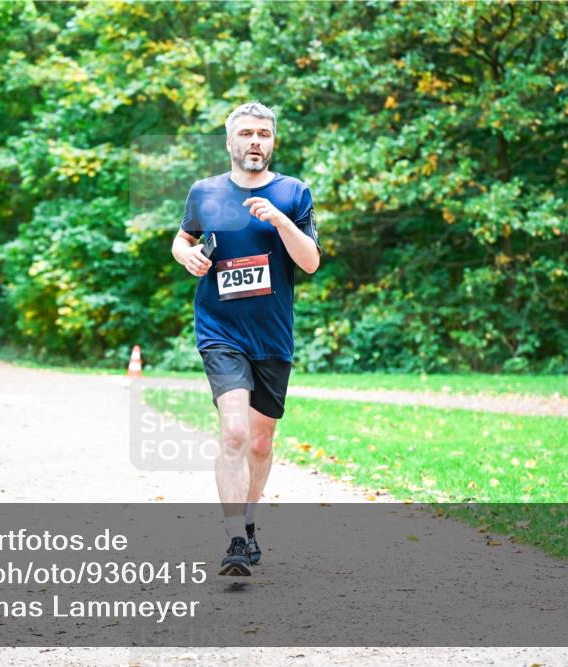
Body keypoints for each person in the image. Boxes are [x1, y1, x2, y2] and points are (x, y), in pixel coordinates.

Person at [170, 102, 321, 576]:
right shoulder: (205, 192)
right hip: (220, 329)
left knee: (259, 442)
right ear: (230, 141)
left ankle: (250, 522)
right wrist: (187, 257)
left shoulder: (293, 192)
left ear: (272, 142)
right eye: (247, 134)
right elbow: (182, 238)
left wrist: (280, 220)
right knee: (233, 431)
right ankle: (236, 539)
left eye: (264, 134)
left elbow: (311, 262)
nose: (256, 141)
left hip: (272, 334)